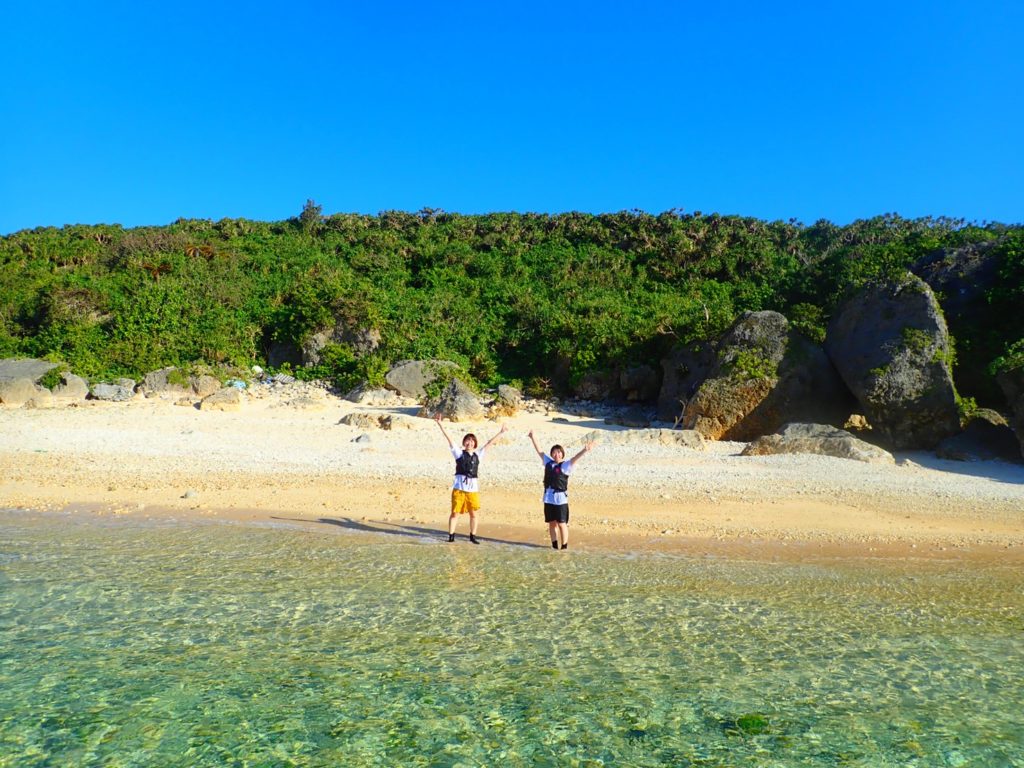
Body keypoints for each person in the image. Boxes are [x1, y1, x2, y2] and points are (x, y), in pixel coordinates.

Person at [436, 413, 508, 544]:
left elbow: (489, 443)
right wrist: (440, 425)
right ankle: (451, 536)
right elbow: (450, 439)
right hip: (459, 489)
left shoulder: (478, 455)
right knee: (455, 513)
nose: (469, 443)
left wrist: (501, 432)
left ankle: (472, 536)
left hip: (472, 490)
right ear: (464, 442)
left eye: (472, 441)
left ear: (474, 443)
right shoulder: (458, 453)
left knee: (474, 514)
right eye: (467, 440)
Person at [527, 430, 595, 550]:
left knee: (561, 523)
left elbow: (575, 458)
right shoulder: (548, 462)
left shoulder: (565, 466)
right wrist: (533, 437)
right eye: (554, 452)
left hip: (560, 499)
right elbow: (539, 451)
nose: (556, 454)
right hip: (548, 498)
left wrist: (585, 450)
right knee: (552, 523)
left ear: (562, 454)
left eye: (559, 452)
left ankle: (564, 547)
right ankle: (554, 546)